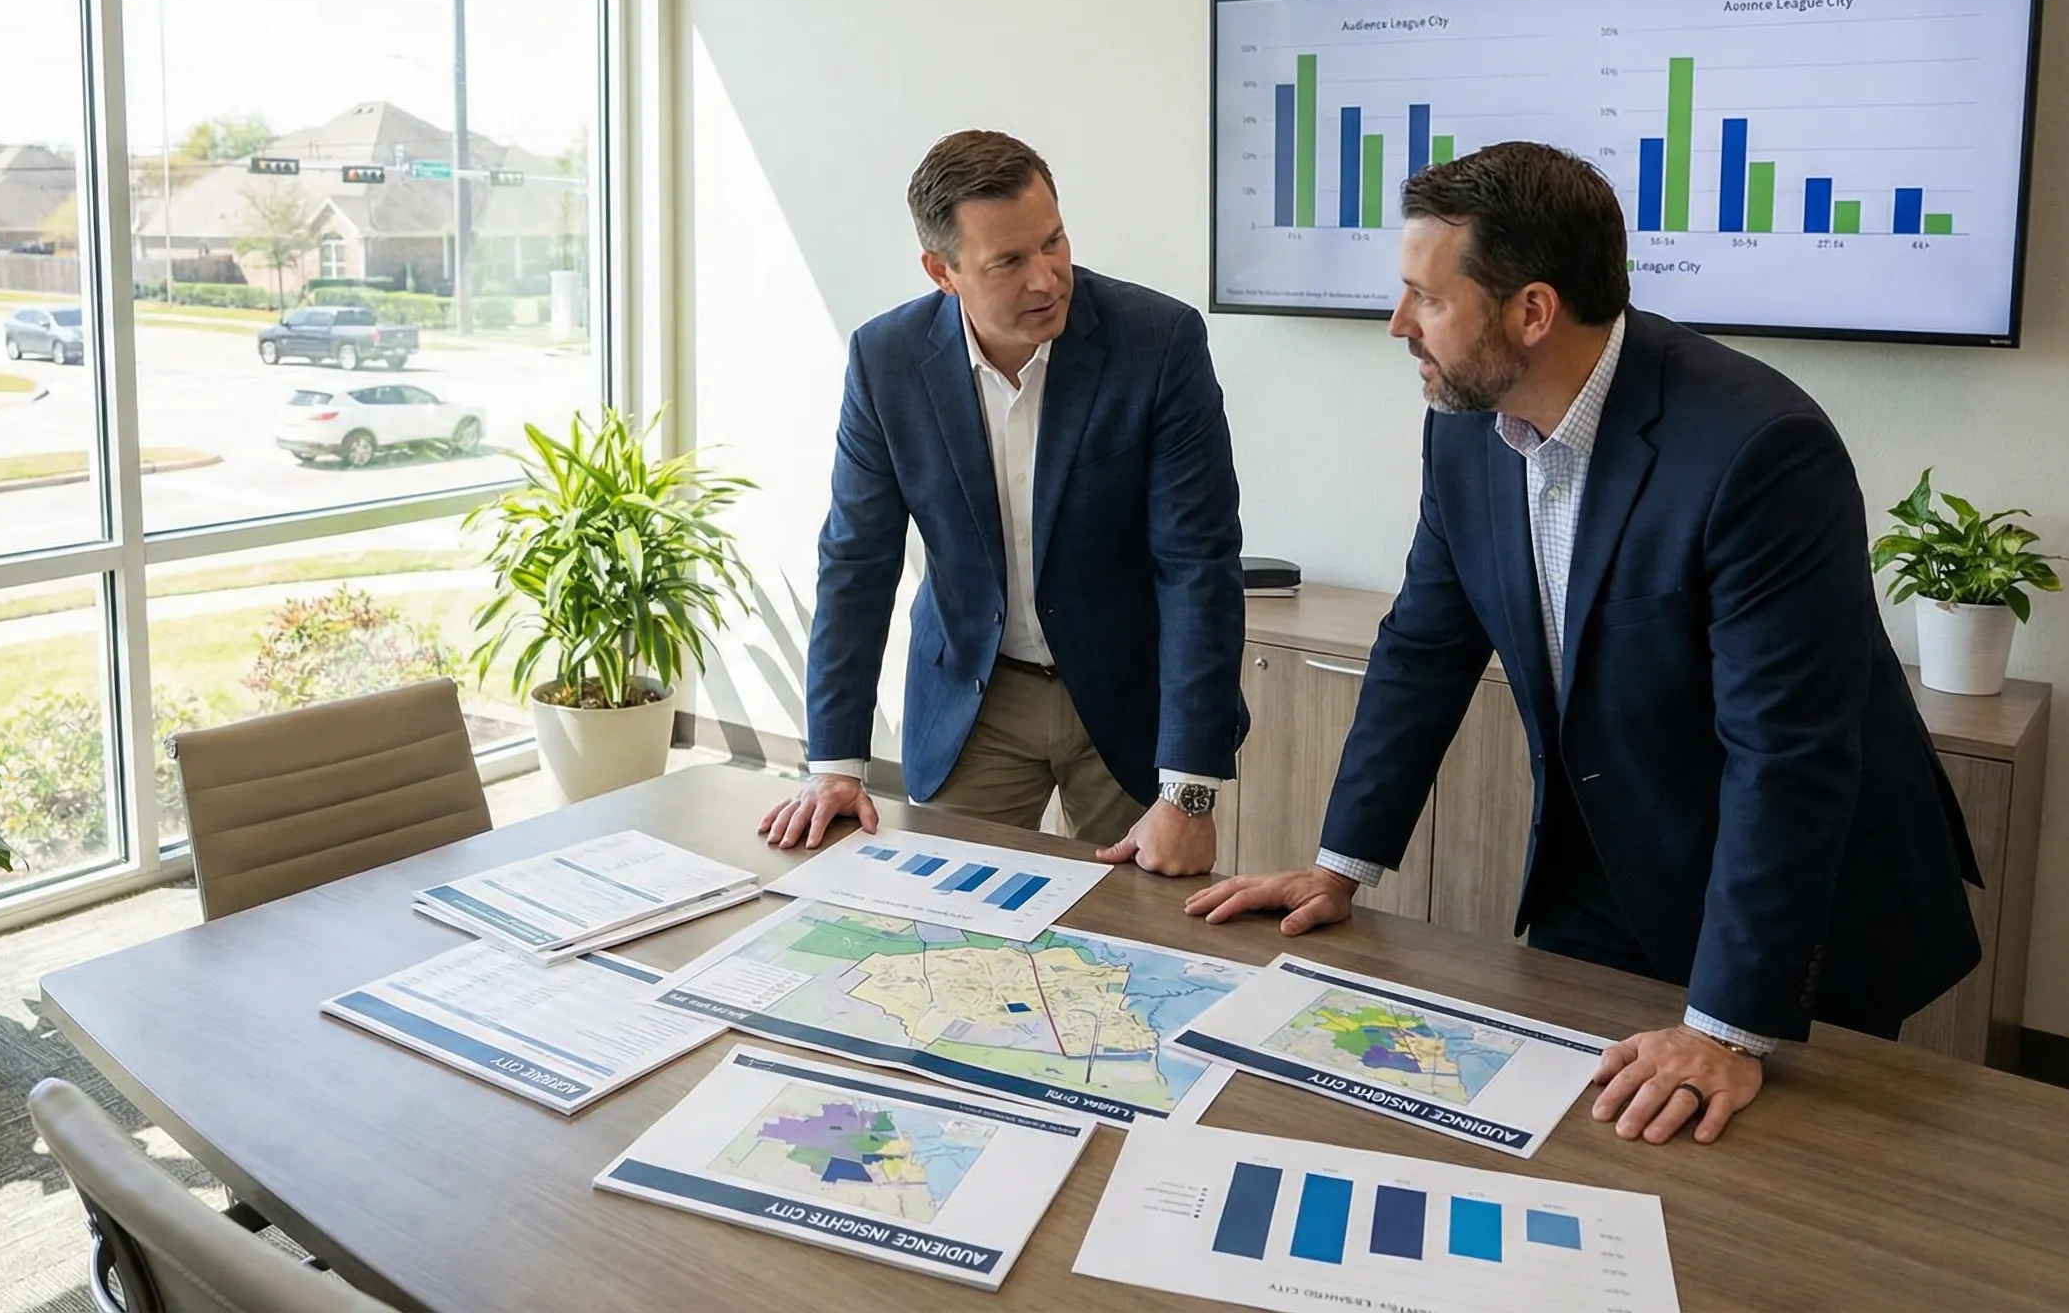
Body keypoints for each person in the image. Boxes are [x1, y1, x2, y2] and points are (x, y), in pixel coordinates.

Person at [1185, 141, 1981, 1146]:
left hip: (1794, 900)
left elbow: (1786, 753)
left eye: (1426, 298)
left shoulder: (1758, 449)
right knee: (1577, 1146)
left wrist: (1726, 1027)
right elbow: (1424, 648)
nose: (1398, 324)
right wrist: (1338, 866)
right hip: (1602, 860)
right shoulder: (1465, 425)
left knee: (1769, 1185)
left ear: (1532, 311)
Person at [758, 130, 1246, 875]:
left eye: (1054, 243)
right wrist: (835, 764)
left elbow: (1198, 564)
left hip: (1130, 699)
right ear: (942, 271)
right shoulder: (886, 361)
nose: (1047, 279)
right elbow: (857, 562)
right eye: (1009, 262)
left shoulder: (1158, 342)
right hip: (975, 697)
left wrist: (1188, 789)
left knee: (1137, 927)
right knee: (943, 917)